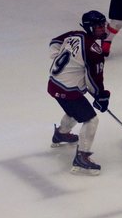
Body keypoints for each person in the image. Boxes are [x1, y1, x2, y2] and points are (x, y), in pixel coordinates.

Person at [47, 10, 111, 175]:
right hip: (68, 90)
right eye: (98, 26)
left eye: (102, 24)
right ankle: (82, 157)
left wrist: (57, 57)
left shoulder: (74, 34)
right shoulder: (94, 51)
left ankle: (61, 134)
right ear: (89, 28)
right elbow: (93, 79)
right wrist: (100, 96)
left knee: (74, 112)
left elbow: (54, 42)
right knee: (91, 120)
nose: (102, 28)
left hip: (54, 84)